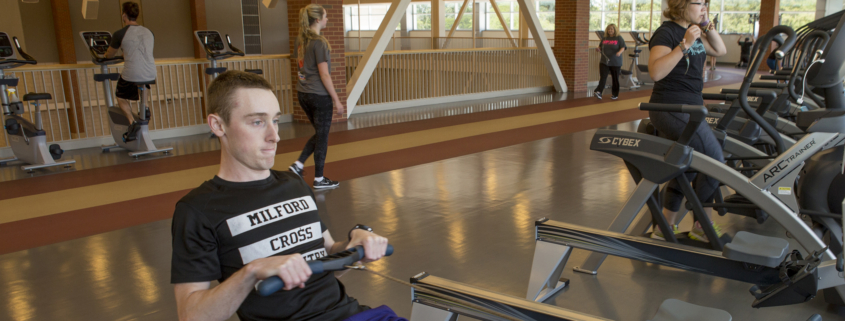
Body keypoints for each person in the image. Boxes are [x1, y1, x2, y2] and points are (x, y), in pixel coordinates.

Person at [170, 70, 401, 321]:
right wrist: (252, 271)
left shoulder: (294, 184)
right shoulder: (198, 210)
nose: (275, 136)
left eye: (275, 120)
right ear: (218, 125)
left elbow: (325, 257)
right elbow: (191, 316)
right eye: (257, 122)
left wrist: (355, 244)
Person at [646, 0, 727, 242]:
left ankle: (664, 225)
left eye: (706, 3)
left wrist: (706, 25)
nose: (704, 6)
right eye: (698, 2)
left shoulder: (695, 31)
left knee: (689, 166)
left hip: (690, 109)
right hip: (670, 107)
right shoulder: (667, 32)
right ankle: (702, 224)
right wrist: (684, 45)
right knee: (714, 161)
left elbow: (721, 50)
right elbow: (656, 72)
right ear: (681, 5)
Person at [288, 4, 344, 189]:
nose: (328, 19)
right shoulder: (319, 42)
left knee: (320, 133)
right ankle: (319, 179)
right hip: (319, 96)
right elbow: (325, 75)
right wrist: (336, 100)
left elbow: (300, 68)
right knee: (322, 136)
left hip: (303, 94)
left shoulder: (300, 40)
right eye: (326, 16)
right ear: (318, 19)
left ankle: (298, 165)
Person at [104, 1, 156, 141]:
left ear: (124, 15)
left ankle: (131, 121)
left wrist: (104, 56)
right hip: (150, 72)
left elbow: (109, 54)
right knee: (143, 85)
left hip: (132, 73)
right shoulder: (148, 32)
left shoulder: (120, 33)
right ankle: (145, 106)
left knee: (120, 96)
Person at [594, 24, 627, 100]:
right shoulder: (604, 38)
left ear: (615, 30)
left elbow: (623, 47)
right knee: (603, 77)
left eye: (612, 29)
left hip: (615, 62)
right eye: (609, 29)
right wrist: (598, 49)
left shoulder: (619, 38)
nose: (610, 30)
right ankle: (599, 91)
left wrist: (619, 52)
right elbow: (600, 46)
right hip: (604, 61)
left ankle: (615, 94)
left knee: (615, 78)